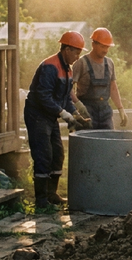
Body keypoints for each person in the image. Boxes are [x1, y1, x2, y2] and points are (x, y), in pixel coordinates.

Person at [25, 31, 90, 208]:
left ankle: (52, 194)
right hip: (37, 115)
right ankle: (40, 201)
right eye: (76, 52)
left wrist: (76, 114)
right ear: (67, 49)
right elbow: (43, 96)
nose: (78, 57)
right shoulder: (50, 67)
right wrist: (63, 113)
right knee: (43, 154)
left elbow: (64, 98)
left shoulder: (67, 69)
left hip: (50, 115)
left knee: (58, 154)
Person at [72, 27, 128, 129]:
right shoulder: (81, 63)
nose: (105, 50)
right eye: (102, 47)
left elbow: (113, 87)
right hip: (86, 111)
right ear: (93, 44)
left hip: (105, 111)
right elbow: (68, 88)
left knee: (108, 141)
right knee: (88, 142)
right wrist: (77, 106)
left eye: (107, 47)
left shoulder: (109, 63)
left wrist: (120, 108)